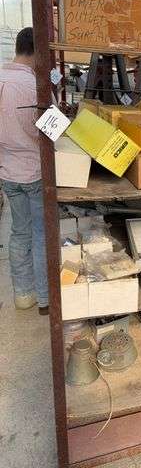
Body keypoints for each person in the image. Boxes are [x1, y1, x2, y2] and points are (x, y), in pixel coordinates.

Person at [0, 27, 48, 315]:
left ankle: (23, 294)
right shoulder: (35, 86)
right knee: (41, 233)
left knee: (19, 231)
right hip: (34, 170)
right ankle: (44, 297)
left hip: (7, 172)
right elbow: (48, 131)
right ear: (38, 52)